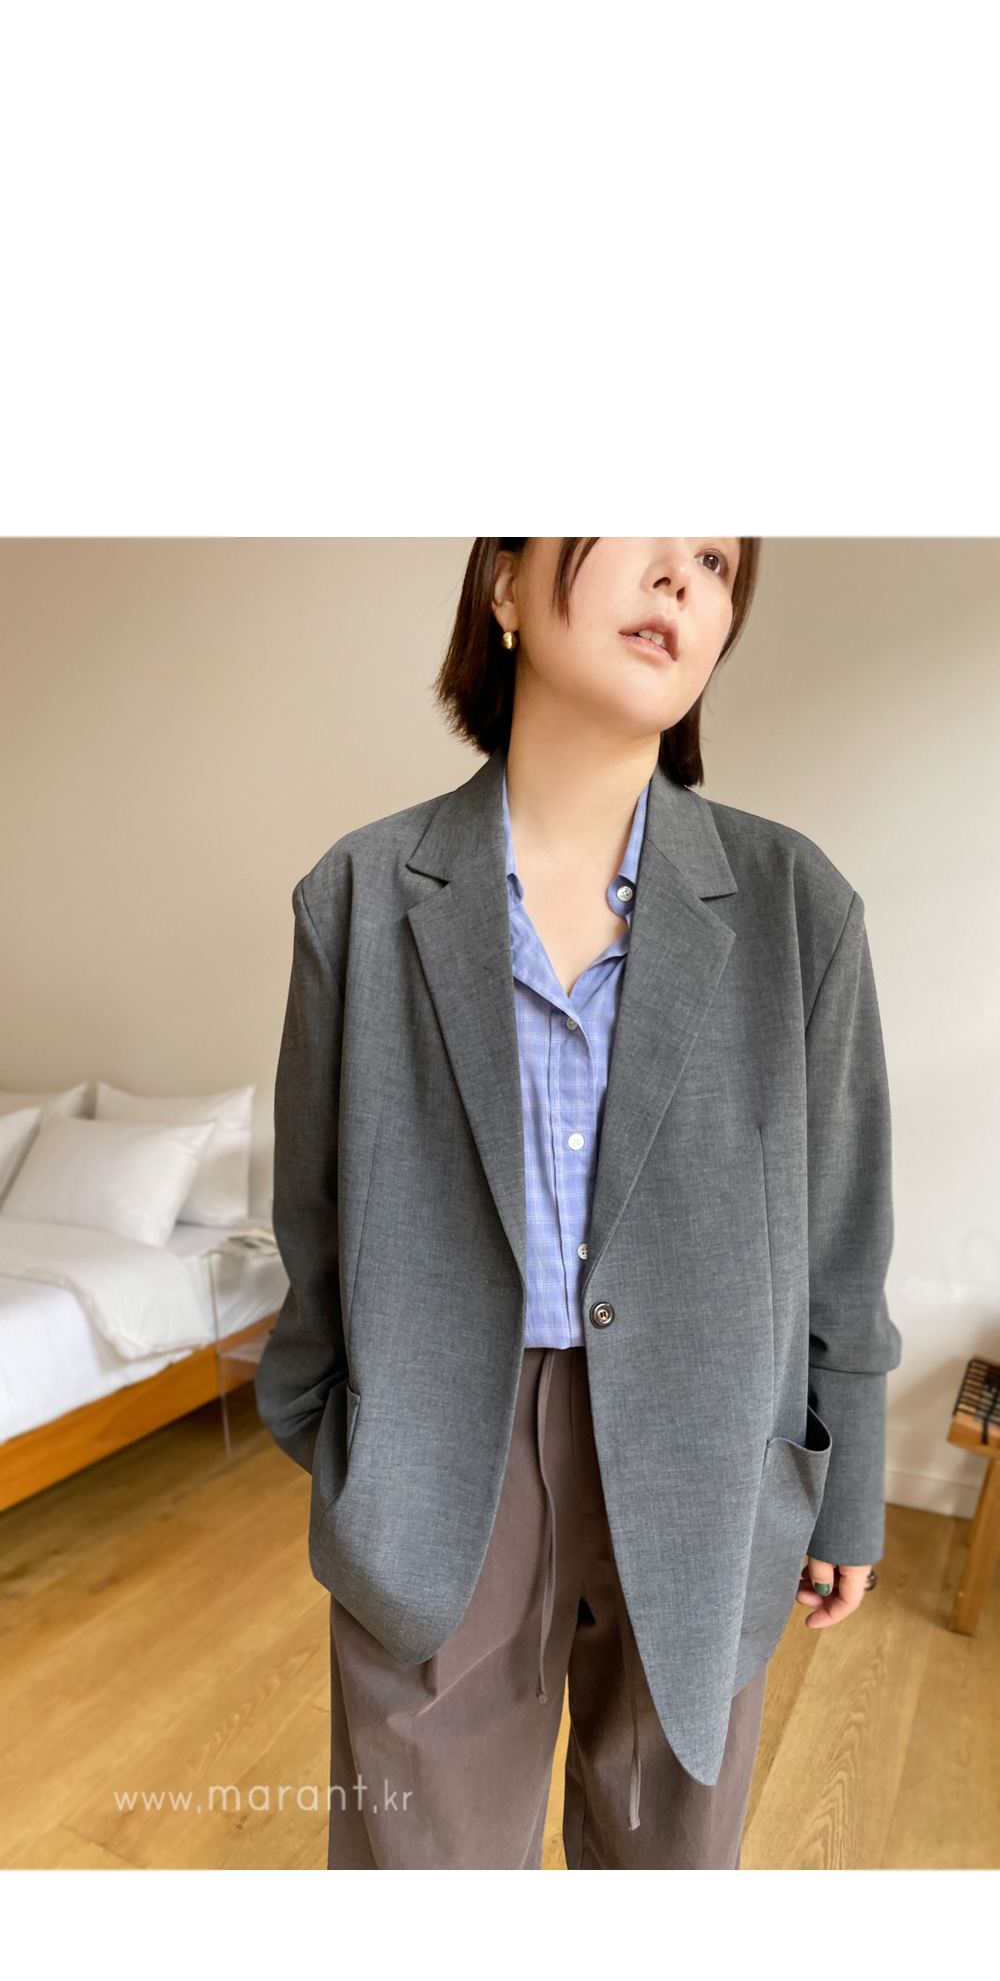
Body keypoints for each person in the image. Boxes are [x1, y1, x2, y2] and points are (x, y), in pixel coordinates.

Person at [257, 531, 899, 1874]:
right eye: (636, 524)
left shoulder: (798, 908)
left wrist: (843, 1497)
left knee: (667, 1865)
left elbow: (842, 1239)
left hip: (709, 1460)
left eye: (716, 560)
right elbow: (313, 1220)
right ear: (504, 582)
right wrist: (350, 1449)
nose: (680, 578)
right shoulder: (359, 896)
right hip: (439, 1461)